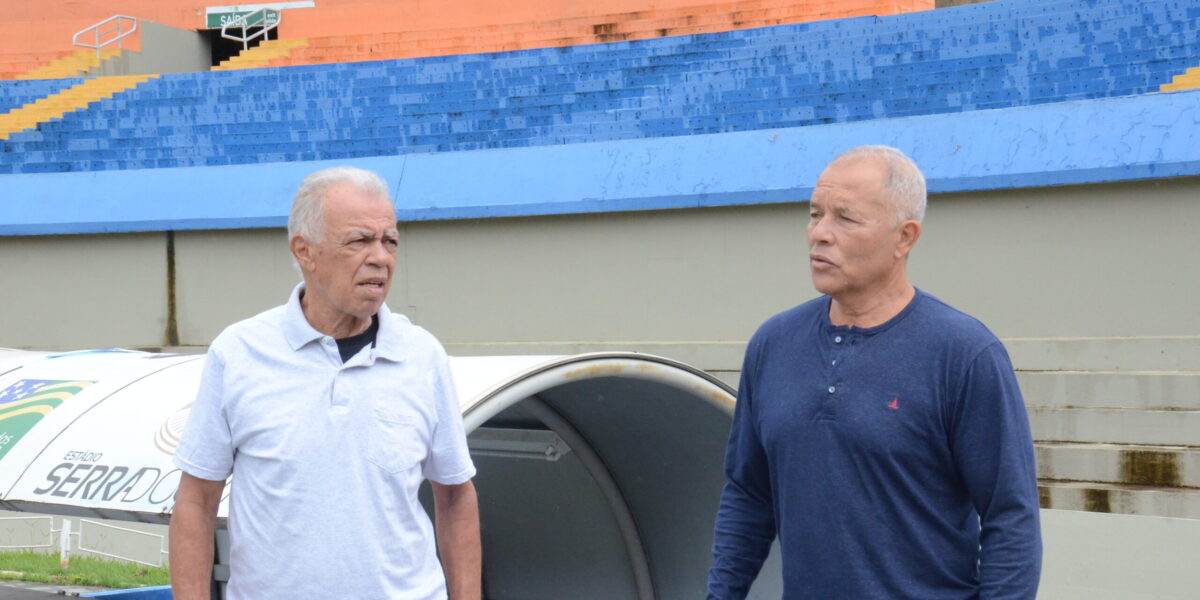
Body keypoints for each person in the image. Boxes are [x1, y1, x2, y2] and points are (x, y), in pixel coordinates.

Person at [707, 146, 1041, 599]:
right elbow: (748, 496)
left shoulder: (964, 354)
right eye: (814, 213)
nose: (819, 234)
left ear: (904, 238)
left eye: (845, 218)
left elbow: (1011, 519)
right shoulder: (774, 344)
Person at [169, 166, 481, 600]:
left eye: (389, 241)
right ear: (305, 251)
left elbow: (456, 497)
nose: (381, 258)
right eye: (359, 241)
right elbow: (195, 505)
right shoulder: (238, 354)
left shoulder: (422, 357)